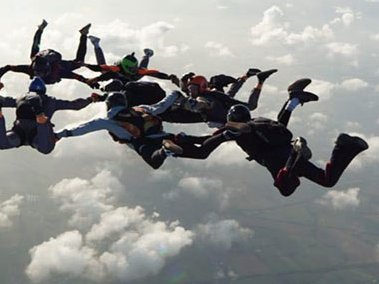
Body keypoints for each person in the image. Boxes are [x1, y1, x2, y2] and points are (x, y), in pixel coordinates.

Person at [159, 94, 368, 197]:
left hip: (277, 159)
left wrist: (179, 145)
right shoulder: (261, 121)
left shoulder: (233, 130)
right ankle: (344, 146)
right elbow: (281, 125)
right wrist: (291, 103)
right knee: (326, 179)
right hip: (287, 148)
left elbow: (204, 147)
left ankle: (292, 161)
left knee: (285, 187)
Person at [55, 92, 175, 169]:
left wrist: (62, 134)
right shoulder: (139, 109)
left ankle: (165, 151)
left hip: (142, 143)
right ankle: (179, 139)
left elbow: (84, 128)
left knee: (154, 163)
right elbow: (161, 106)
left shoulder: (107, 121)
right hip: (159, 134)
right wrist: (174, 95)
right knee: (182, 141)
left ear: (109, 105)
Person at [0, 77, 103, 154]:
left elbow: (5, 101)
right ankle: (39, 114)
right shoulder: (51, 101)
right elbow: (75, 105)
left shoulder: (20, 98)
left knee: (0, 143)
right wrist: (90, 99)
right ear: (43, 91)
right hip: (37, 133)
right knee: (46, 148)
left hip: (18, 132)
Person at [0, 20, 94, 86]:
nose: (39, 75)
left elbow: (76, 76)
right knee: (35, 50)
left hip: (51, 59)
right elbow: (8, 67)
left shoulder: (56, 70)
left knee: (79, 62)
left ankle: (83, 34)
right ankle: (83, 34)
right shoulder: (32, 69)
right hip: (43, 58)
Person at [82, 52, 180, 89]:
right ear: (125, 66)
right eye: (132, 68)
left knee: (143, 70)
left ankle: (147, 55)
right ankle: (97, 45)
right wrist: (86, 66)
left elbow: (155, 73)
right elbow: (99, 68)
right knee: (103, 69)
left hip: (132, 80)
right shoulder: (116, 69)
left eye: (135, 67)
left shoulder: (137, 71)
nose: (134, 69)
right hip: (120, 80)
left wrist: (168, 77)